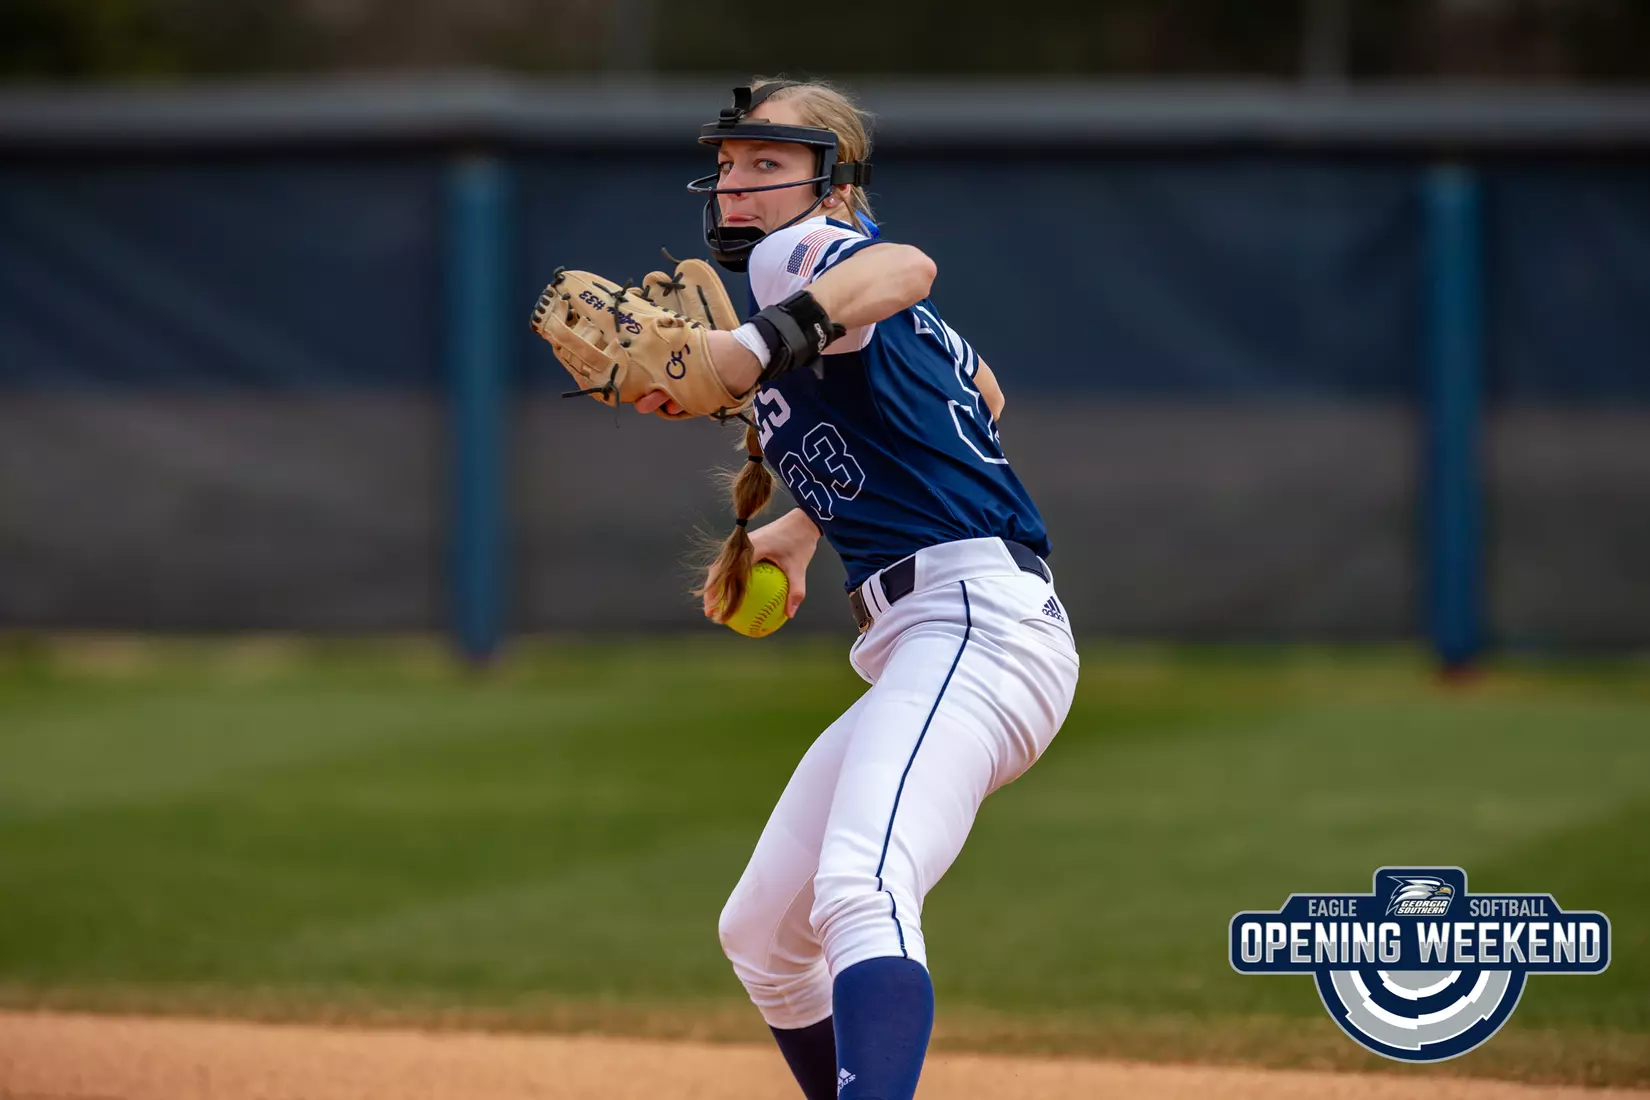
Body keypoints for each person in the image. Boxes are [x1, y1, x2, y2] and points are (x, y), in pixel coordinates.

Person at [638, 79, 1080, 1100]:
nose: (738, 185)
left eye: (769, 163)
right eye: (731, 165)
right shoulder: (819, 301)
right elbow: (980, 394)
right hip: (943, 629)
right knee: (762, 933)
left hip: (974, 624)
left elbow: (907, 265)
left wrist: (753, 347)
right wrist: (801, 531)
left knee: (861, 884)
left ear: (833, 183)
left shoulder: (801, 257)